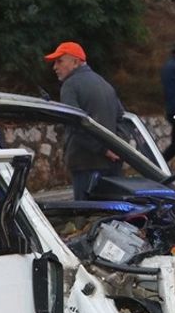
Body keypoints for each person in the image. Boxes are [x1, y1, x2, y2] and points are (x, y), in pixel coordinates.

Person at [45, 41, 125, 200]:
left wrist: (103, 149)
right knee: (113, 218)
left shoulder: (70, 85)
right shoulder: (104, 83)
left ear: (75, 62)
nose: (55, 67)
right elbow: (121, 118)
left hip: (86, 164)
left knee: (86, 218)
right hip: (112, 164)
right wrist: (116, 148)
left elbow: (74, 123)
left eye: (60, 61)